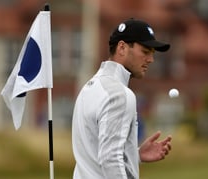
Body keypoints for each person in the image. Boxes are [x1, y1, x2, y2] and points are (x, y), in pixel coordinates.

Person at [72, 18, 172, 179]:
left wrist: (135, 155)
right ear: (122, 48)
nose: (151, 60)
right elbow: (110, 159)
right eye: (145, 52)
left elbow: (96, 152)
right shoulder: (120, 94)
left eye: (152, 54)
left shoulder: (89, 88)